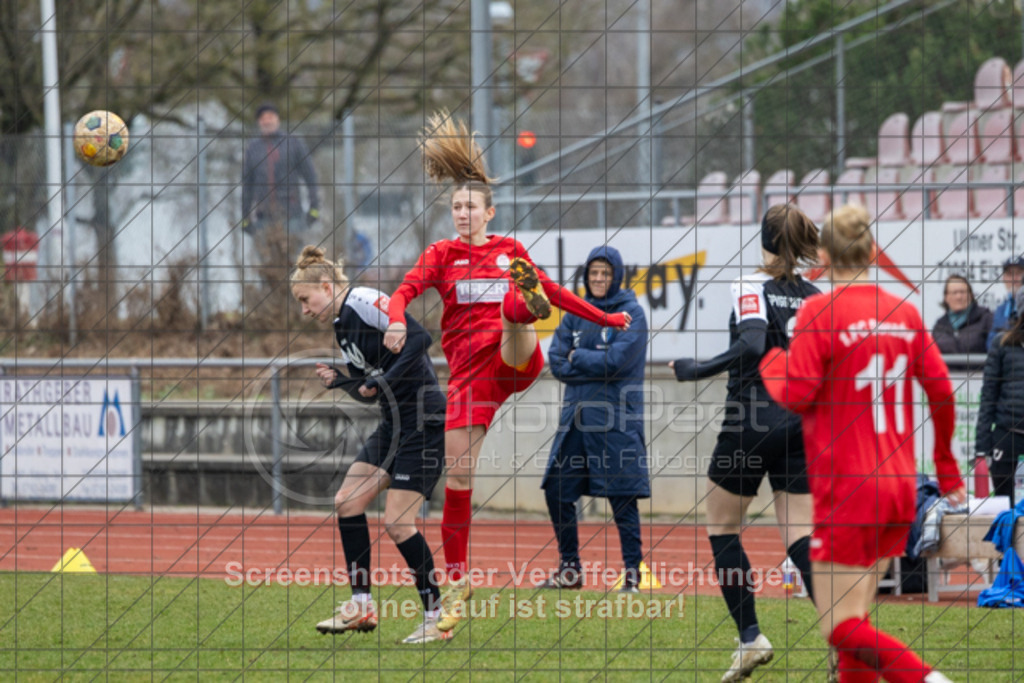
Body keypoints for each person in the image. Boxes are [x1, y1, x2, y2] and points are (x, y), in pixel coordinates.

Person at [382, 111, 631, 633]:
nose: (462, 214)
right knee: (460, 476)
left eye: (470, 206)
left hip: (516, 361)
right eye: (456, 207)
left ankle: (523, 306)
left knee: (518, 305)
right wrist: (395, 320)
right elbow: (404, 290)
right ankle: (457, 582)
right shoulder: (441, 254)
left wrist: (606, 316)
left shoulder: (508, 250)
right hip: (471, 380)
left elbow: (561, 293)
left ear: (489, 211)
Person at [760, 204, 965, 683]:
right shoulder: (905, 312)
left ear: (825, 256)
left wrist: (771, 361)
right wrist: (947, 468)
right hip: (898, 487)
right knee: (857, 618)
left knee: (839, 627)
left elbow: (796, 393)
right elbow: (941, 389)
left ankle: (928, 679)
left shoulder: (820, 311)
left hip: (849, 488)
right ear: (872, 251)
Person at [669, 204, 821, 682]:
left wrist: (697, 369)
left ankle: (751, 637)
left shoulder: (750, 284)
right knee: (799, 534)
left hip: (752, 418)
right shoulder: (818, 294)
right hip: (801, 420)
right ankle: (847, 637)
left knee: (722, 528)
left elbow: (753, 344)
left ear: (765, 240)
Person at [290, 245, 449, 644]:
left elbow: (420, 339)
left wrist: (379, 382)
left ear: (326, 286)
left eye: (305, 300)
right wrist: (342, 381)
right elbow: (369, 389)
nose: (304, 310)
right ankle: (361, 605)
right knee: (347, 501)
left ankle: (437, 618)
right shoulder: (341, 326)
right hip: (393, 422)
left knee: (398, 522)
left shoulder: (363, 301)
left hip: (422, 417)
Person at [540, 246, 649, 592]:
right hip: (575, 418)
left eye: (605, 273)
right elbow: (556, 361)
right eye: (593, 273)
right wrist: (589, 361)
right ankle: (569, 570)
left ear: (616, 275)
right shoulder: (574, 313)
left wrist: (578, 356)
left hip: (615, 420)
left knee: (622, 497)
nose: (599, 279)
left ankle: (633, 574)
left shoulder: (632, 313)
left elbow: (615, 363)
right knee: (557, 489)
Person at [242, 102, 321, 245]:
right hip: (263, 218)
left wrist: (314, 208)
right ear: (259, 122)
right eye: (263, 118)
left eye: (270, 117)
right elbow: (247, 185)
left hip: (293, 216)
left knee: (295, 262)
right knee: (268, 263)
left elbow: (310, 177)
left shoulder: (294, 143)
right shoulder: (252, 148)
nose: (267, 121)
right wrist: (245, 217)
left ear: (277, 119)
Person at [976, 286, 1024, 507]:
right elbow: (988, 399)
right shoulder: (1002, 343)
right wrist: (982, 447)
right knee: (1007, 511)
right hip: (1007, 440)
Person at [932, 274, 992, 354]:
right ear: (946, 298)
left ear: (971, 295)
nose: (959, 297)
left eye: (963, 292)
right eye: (954, 293)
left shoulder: (985, 319)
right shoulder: (939, 326)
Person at [986, 255, 1024, 350]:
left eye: (1018, 273)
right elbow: (991, 343)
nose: (1014, 278)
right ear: (1004, 278)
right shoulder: (1001, 310)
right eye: (1009, 274)